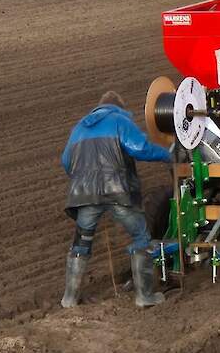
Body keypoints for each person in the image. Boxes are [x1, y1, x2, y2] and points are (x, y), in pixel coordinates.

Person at [60, 91, 171, 308]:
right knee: (141, 237)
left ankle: (69, 299)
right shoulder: (120, 121)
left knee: (81, 243)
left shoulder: (79, 128)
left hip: (84, 194)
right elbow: (140, 148)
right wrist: (168, 155)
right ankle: (144, 296)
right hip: (117, 192)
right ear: (119, 107)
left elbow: (66, 161)